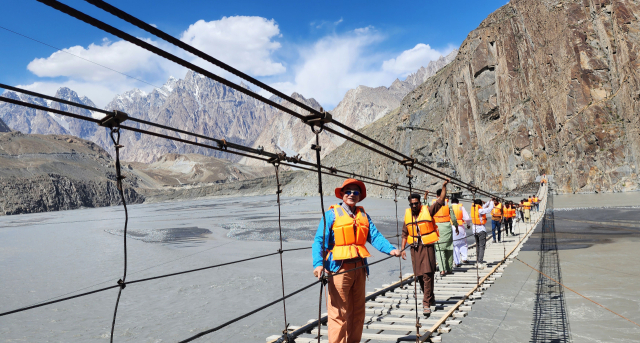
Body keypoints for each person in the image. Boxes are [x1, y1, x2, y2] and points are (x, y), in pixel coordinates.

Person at [312, 179, 400, 343]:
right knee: (339, 313)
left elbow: (374, 236)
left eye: (356, 192)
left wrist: (390, 249)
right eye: (348, 191)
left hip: (359, 269)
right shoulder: (331, 215)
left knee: (358, 312)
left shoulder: (363, 216)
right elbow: (319, 241)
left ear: (359, 196)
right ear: (342, 194)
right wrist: (318, 264)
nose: (352, 194)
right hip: (338, 269)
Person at [401, 179, 450, 318]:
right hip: (414, 248)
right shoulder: (408, 215)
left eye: (416, 203)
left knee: (428, 274)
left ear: (420, 203)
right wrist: (402, 249)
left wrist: (444, 186)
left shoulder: (428, 210)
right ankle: (430, 296)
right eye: (412, 204)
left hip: (427, 246)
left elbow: (440, 201)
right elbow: (405, 233)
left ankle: (426, 303)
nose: (414, 206)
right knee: (420, 276)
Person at [431, 189, 459, 276]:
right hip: (447, 227)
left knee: (439, 249)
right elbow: (453, 217)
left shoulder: (433, 203)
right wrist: (456, 226)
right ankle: (449, 269)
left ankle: (442, 270)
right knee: (449, 248)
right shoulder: (448, 204)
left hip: (437, 228)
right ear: (445, 196)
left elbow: (425, 209)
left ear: (436, 196)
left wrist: (425, 197)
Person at [470, 198, 493, 269]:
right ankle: (480, 262)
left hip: (474, 230)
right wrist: (491, 202)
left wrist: (488, 202)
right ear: (480, 204)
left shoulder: (474, 209)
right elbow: (489, 209)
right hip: (481, 230)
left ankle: (477, 261)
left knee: (477, 246)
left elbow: (483, 207)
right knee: (482, 246)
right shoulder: (480, 210)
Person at [450, 197, 470, 267]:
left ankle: (457, 262)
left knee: (455, 245)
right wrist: (468, 224)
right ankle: (464, 258)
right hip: (460, 226)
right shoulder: (461, 207)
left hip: (451, 226)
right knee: (463, 243)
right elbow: (467, 218)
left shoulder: (449, 207)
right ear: (458, 202)